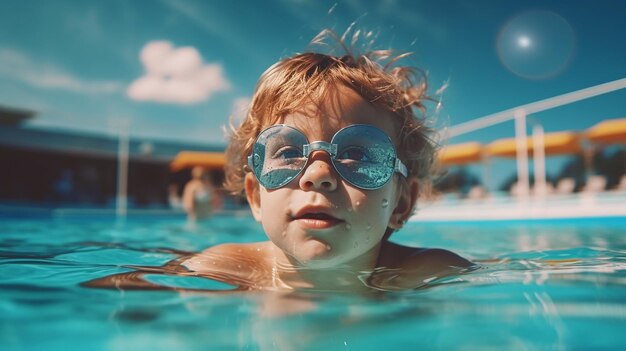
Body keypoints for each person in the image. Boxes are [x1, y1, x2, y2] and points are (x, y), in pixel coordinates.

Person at [182, 30, 473, 292]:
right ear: (255, 196)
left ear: (401, 203)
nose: (318, 174)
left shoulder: (428, 274)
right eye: (288, 153)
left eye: (356, 154)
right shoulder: (223, 270)